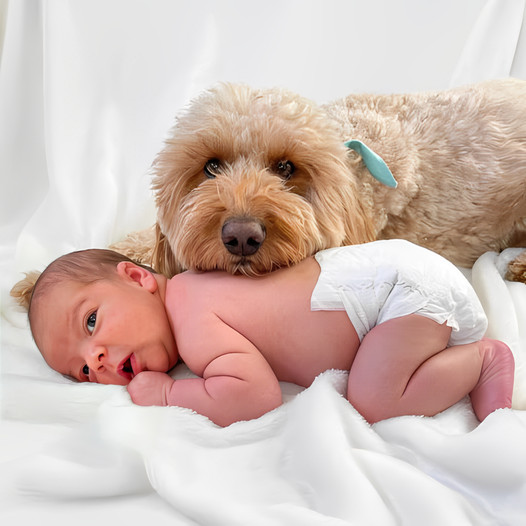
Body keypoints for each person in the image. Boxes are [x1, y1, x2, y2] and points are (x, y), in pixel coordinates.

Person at [25, 240, 514, 427]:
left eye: (91, 322)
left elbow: (255, 397)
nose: (99, 359)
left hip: (392, 294)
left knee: (374, 400)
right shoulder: (197, 286)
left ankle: (485, 360)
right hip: (387, 275)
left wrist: (171, 392)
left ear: (137, 277)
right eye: (84, 371)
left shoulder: (192, 320)